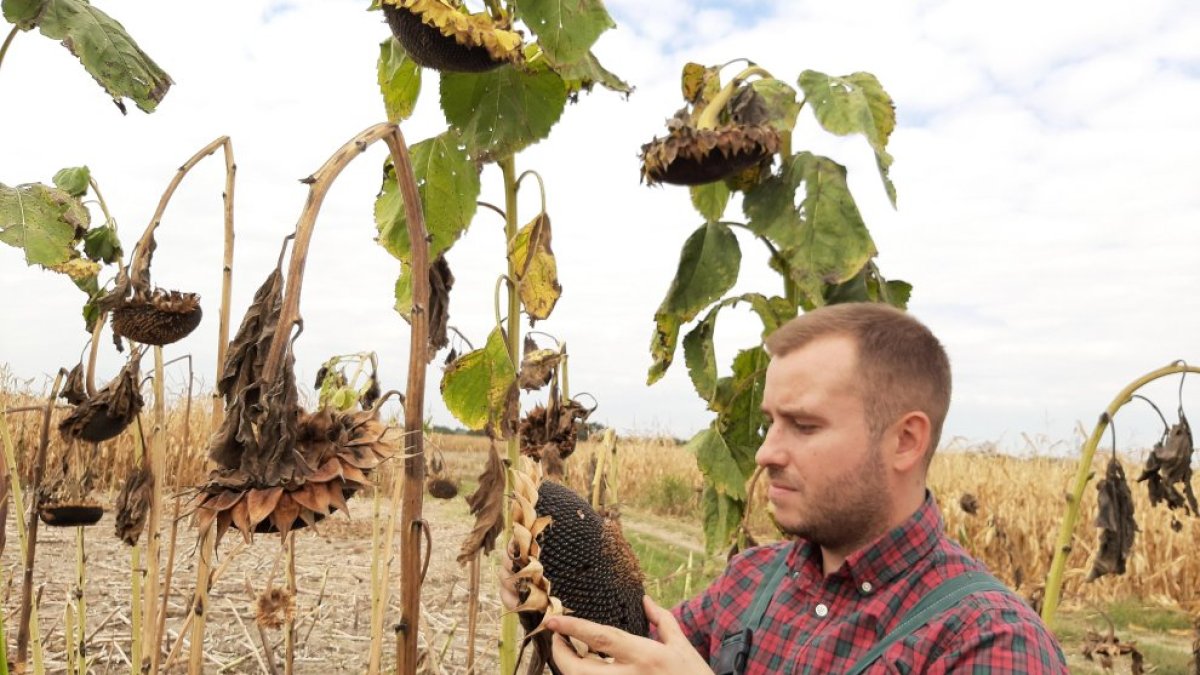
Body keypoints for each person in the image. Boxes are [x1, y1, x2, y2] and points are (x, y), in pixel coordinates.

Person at [502, 302, 1069, 673]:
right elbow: (640, 651)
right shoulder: (752, 582)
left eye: (804, 425)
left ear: (904, 441)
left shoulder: (986, 642)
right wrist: (554, 589)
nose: (768, 452)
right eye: (771, 422)